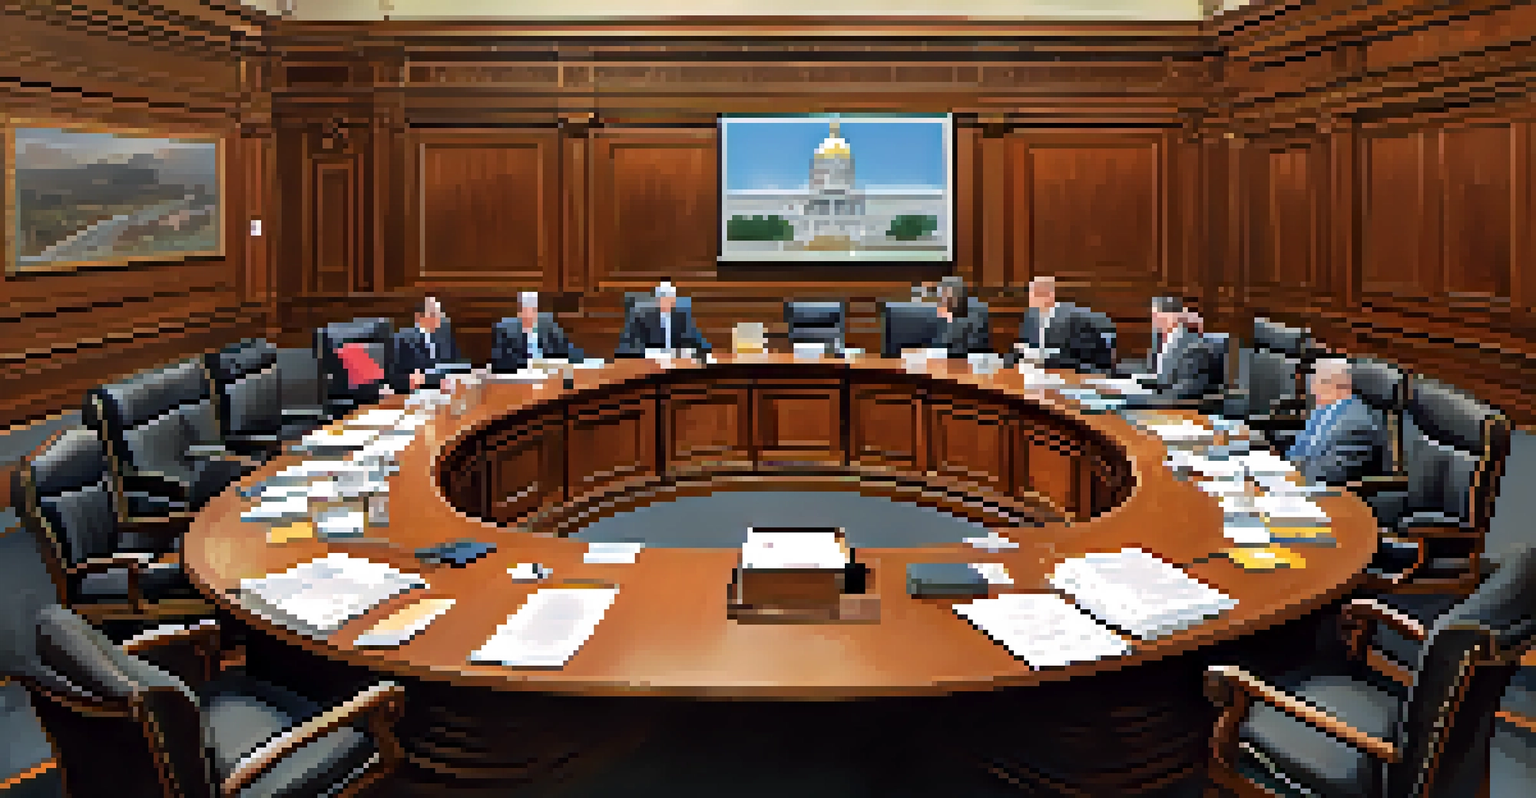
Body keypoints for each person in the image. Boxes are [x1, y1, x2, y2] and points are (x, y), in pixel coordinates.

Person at [1286, 358, 1385, 486]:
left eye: (1322, 382)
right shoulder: (1323, 408)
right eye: (1313, 381)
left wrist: (1288, 476)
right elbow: (1297, 450)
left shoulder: (1358, 423)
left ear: (1343, 384)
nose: (1313, 389)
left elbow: (1332, 471)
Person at [1014, 276, 1109, 371]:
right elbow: (1024, 347)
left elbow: (1077, 359)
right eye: (1031, 293)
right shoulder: (1030, 316)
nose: (1031, 299)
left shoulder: (1073, 319)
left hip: (1066, 375)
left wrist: (1043, 359)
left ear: (1050, 295)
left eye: (1036, 294)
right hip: (1035, 373)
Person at [490, 291, 585, 373]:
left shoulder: (548, 325)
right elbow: (501, 364)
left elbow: (572, 352)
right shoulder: (506, 331)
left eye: (532, 310)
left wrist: (558, 362)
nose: (529, 315)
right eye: (525, 310)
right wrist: (532, 364)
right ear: (519, 313)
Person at [616, 281, 711, 357]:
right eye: (663, 297)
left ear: (674, 300)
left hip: (677, 369)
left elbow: (700, 344)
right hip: (649, 368)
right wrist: (655, 354)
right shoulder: (641, 317)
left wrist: (690, 352)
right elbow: (628, 347)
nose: (666, 301)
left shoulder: (681, 317)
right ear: (657, 300)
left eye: (670, 298)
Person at [389, 296, 463, 393]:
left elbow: (455, 364)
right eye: (433, 314)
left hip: (444, 392)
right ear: (419, 317)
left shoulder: (445, 338)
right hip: (414, 394)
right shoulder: (402, 339)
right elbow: (393, 377)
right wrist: (410, 380)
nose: (438, 319)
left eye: (440, 314)